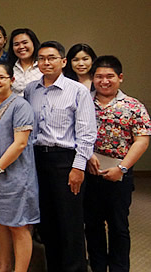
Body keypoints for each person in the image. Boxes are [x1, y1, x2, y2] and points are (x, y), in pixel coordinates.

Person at [23, 41, 96, 272]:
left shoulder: (78, 91)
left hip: (66, 161)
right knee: (47, 223)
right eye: (42, 58)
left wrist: (78, 167)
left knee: (70, 224)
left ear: (63, 62)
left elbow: (86, 133)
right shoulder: (30, 89)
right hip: (37, 160)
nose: (46, 62)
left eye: (52, 58)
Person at [85, 55, 150, 272]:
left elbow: (142, 139)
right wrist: (86, 155)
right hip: (89, 173)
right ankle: (97, 267)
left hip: (119, 174)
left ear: (120, 78)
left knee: (118, 227)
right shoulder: (83, 102)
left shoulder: (133, 105)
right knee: (92, 226)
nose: (104, 81)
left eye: (110, 76)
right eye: (99, 76)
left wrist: (122, 168)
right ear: (92, 78)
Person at [0, 62, 39, 272]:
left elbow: (20, 143)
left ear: (11, 80)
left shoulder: (21, 106)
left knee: (18, 225)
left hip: (14, 175)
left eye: (1, 77)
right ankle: (4, 266)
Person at [6, 28, 41, 95]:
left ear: (33, 43)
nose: (21, 47)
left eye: (25, 43)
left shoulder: (43, 66)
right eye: (16, 44)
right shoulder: (8, 68)